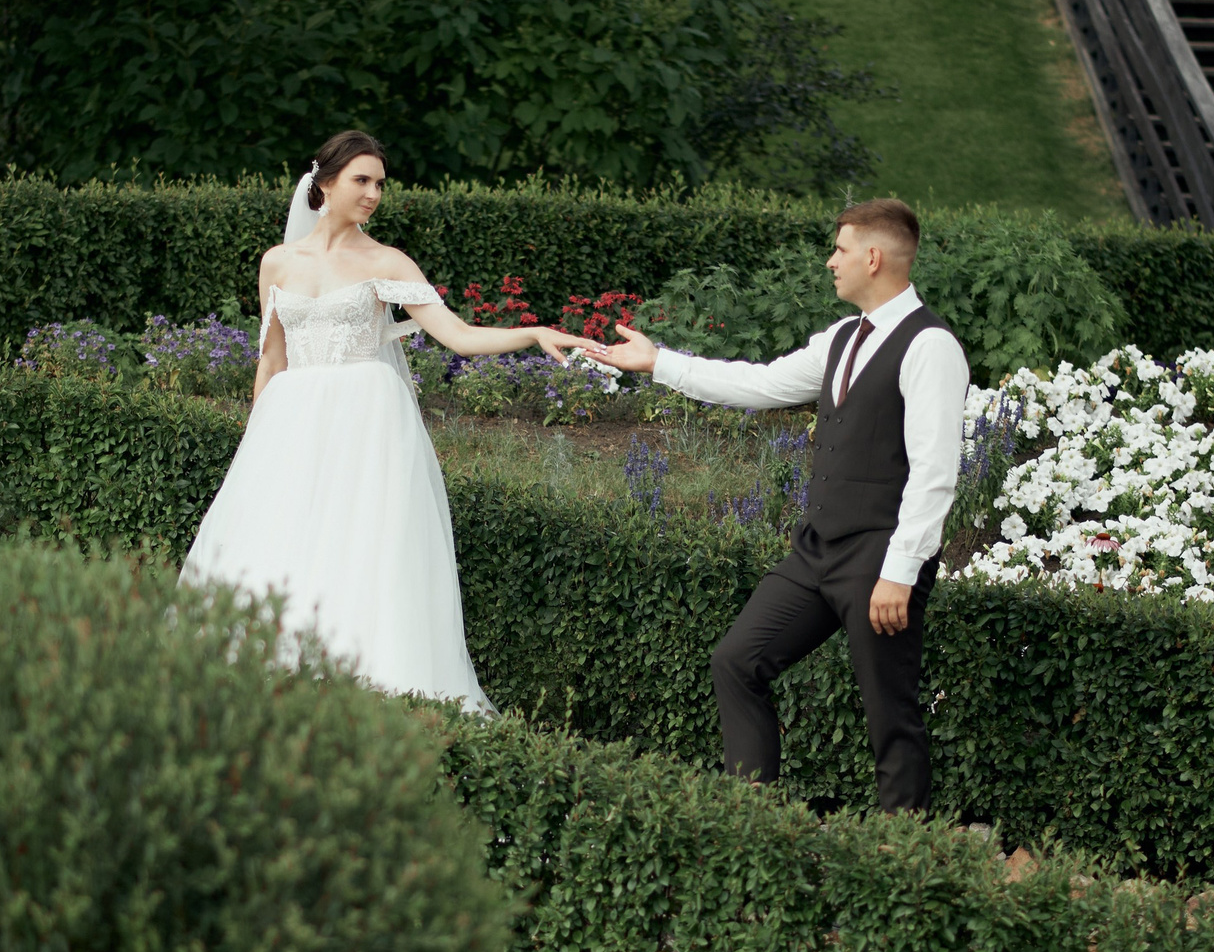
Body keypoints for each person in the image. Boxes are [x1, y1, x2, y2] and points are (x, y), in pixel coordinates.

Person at [182, 129, 591, 712]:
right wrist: (256, 448)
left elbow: (457, 334)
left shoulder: (386, 261)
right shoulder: (277, 263)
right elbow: (270, 358)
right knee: (280, 546)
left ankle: (366, 691)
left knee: (363, 547)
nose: (374, 193)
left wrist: (533, 332)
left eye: (379, 183)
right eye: (362, 180)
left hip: (364, 424)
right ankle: (269, 691)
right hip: (291, 426)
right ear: (323, 184)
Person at [591, 198, 968, 812]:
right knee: (737, 662)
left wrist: (900, 572)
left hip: (879, 558)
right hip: (816, 551)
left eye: (840, 250)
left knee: (889, 715)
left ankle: (907, 860)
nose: (830, 262)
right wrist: (660, 362)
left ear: (873, 257)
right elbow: (761, 384)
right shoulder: (844, 338)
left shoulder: (931, 347)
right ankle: (752, 821)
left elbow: (934, 473)